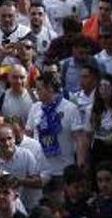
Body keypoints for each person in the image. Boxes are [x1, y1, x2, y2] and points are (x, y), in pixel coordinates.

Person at [24, 73, 88, 205]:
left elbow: (80, 139)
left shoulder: (70, 108)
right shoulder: (35, 108)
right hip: (40, 170)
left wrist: (80, 166)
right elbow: (28, 136)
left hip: (63, 170)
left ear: (50, 89)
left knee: (63, 208)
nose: (36, 92)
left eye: (39, 89)